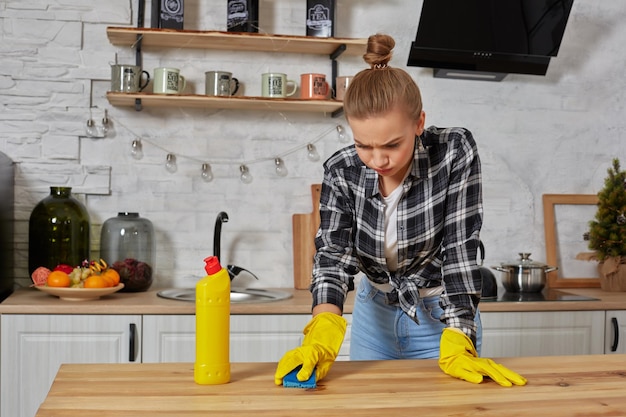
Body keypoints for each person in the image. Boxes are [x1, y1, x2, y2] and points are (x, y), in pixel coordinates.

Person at [275, 34, 526, 387]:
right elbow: (333, 256)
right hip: (373, 318)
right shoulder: (341, 170)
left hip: (444, 317)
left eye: (392, 144)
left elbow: (459, 250)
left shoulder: (453, 152)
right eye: (364, 145)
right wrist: (322, 329)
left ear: (418, 124)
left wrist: (458, 337)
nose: (377, 160)